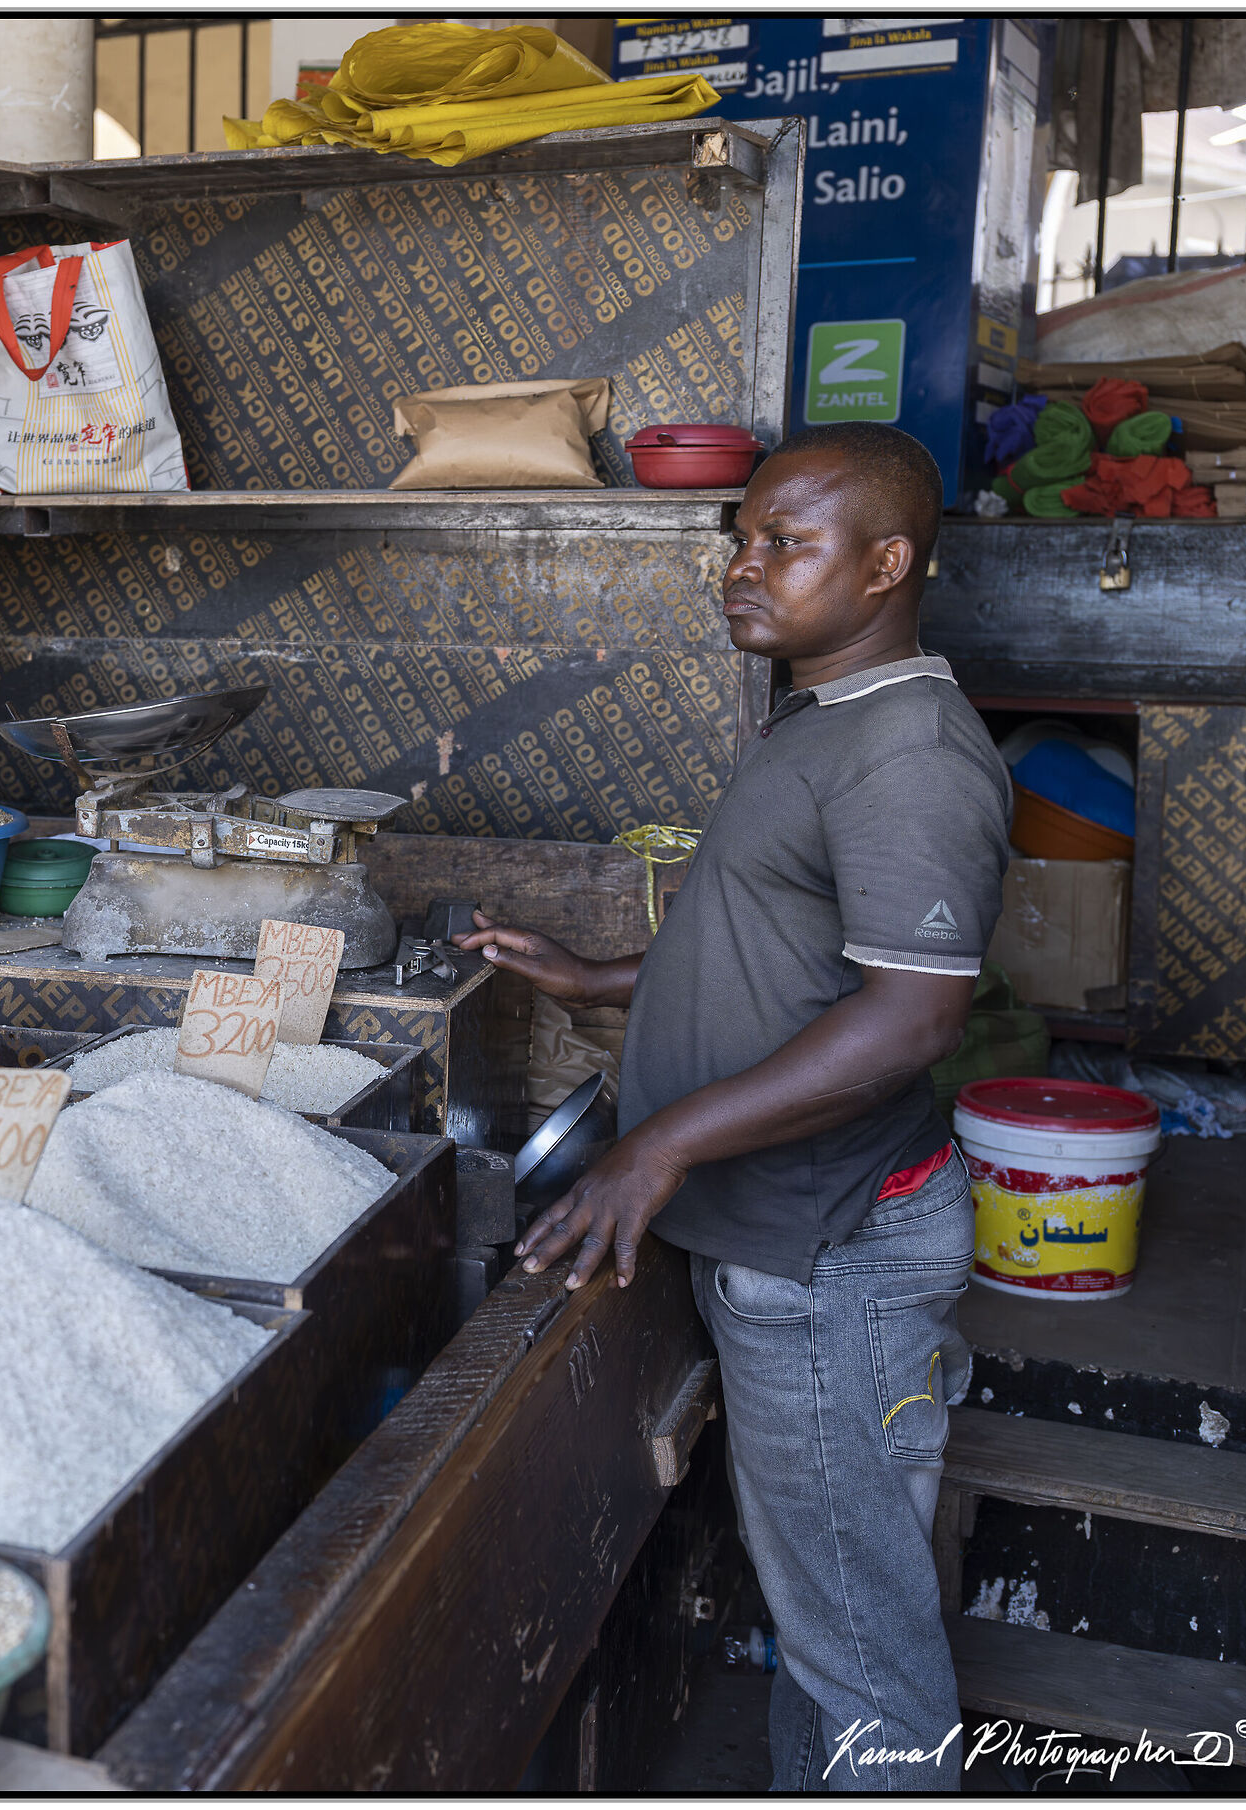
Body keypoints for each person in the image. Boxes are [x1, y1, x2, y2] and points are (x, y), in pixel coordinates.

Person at [458, 422, 1008, 1792]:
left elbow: (910, 1014)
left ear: (887, 566)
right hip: (785, 1237)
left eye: (784, 543)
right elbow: (767, 933)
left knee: (860, 1643)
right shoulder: (819, 715)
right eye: (740, 538)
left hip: (833, 1254)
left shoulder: (911, 755)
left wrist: (664, 1141)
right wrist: (599, 974)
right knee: (826, 1617)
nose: (741, 569)